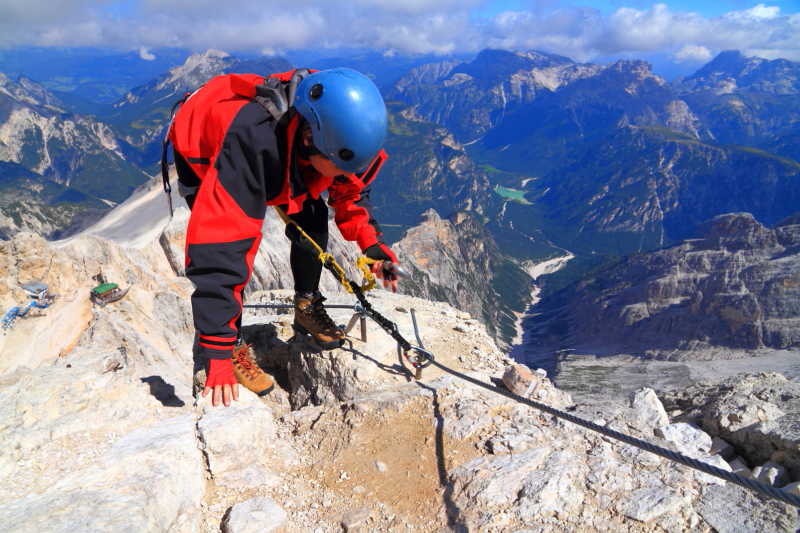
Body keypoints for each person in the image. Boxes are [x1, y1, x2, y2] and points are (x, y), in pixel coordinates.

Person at [166, 67, 401, 408]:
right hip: (203, 148)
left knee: (313, 216)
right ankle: (229, 344)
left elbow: (349, 190)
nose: (347, 175)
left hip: (286, 155)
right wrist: (216, 352)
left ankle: (306, 306)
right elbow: (219, 250)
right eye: (340, 166)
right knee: (234, 249)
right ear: (309, 141)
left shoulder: (332, 122)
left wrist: (372, 245)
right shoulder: (251, 145)